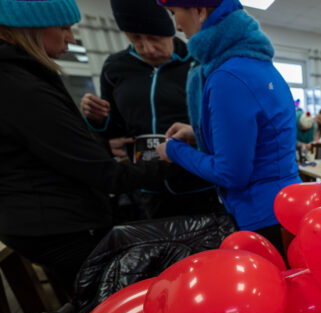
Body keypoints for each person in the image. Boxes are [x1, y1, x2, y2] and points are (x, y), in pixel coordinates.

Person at [0, 0, 182, 292]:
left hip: (55, 217)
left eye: (156, 38)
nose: (72, 39)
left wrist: (98, 141)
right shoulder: (24, 88)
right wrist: (182, 158)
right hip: (69, 222)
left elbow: (57, 148)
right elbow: (102, 169)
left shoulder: (25, 78)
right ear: (30, 31)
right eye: (63, 28)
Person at [155, 0, 300, 252]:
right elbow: (263, 133)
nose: (177, 25)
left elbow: (231, 173)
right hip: (287, 206)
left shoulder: (227, 77)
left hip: (261, 218)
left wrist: (174, 151)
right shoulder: (261, 66)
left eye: (174, 12)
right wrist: (195, 132)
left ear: (199, 11)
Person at [80, 0, 219, 220]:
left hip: (198, 182)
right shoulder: (115, 68)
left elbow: (218, 121)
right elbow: (114, 128)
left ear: (170, 28)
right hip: (146, 187)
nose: (147, 48)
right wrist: (97, 119)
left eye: (154, 38)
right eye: (136, 39)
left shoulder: (198, 62)